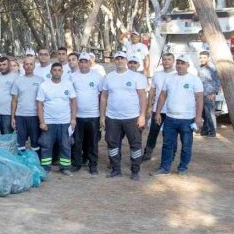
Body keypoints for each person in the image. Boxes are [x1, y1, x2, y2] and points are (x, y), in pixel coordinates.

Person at [151, 55, 205, 176]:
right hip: (170, 118)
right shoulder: (169, 78)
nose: (180, 65)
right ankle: (165, 168)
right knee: (167, 144)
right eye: (178, 63)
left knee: (186, 146)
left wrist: (198, 117)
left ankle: (183, 168)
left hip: (187, 119)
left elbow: (199, 99)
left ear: (188, 65)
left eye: (183, 63)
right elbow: (163, 95)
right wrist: (158, 112)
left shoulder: (194, 79)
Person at [100, 51, 148, 180]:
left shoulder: (136, 77)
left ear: (126, 60)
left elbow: (142, 97)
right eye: (117, 58)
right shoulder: (108, 77)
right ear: (114, 61)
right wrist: (102, 116)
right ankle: (116, 169)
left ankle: (135, 171)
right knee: (112, 143)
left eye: (122, 58)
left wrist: (142, 115)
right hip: (112, 118)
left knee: (135, 144)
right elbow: (104, 97)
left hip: (132, 117)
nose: (119, 61)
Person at [36, 63, 77, 175]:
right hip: (49, 122)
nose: (57, 72)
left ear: (62, 72)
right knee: (46, 145)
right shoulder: (44, 85)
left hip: (65, 122)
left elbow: (73, 102)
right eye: (54, 70)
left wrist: (73, 119)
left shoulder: (68, 84)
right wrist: (42, 122)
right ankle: (45, 168)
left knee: (66, 145)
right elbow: (39, 104)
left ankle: (65, 168)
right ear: (51, 71)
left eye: (59, 70)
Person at [70, 53, 103, 175]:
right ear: (79, 63)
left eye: (85, 62)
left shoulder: (97, 76)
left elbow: (101, 96)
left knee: (93, 142)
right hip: (77, 116)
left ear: (90, 63)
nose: (83, 64)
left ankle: (93, 165)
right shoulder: (72, 77)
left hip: (93, 115)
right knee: (77, 141)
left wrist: (101, 115)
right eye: (81, 62)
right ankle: (77, 163)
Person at [144, 52, 176, 161]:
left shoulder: (177, 75)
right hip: (157, 109)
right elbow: (152, 90)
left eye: (169, 59)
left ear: (173, 61)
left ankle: (171, 155)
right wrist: (149, 105)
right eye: (164, 59)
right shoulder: (157, 74)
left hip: (171, 110)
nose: (166, 61)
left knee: (170, 134)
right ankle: (147, 153)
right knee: (153, 132)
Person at [10, 56, 43, 152]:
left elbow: (43, 101)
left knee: (35, 143)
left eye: (31, 64)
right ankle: (22, 164)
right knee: (20, 144)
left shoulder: (40, 80)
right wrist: (13, 117)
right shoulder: (18, 81)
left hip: (35, 116)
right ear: (23, 66)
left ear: (34, 66)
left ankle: (35, 164)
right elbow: (14, 100)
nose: (28, 66)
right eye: (26, 64)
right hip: (20, 116)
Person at [198, 51, 220, 137]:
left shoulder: (212, 68)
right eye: (201, 57)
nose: (202, 59)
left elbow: (218, 81)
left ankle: (212, 131)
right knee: (204, 113)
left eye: (204, 57)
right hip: (201, 94)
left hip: (209, 94)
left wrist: (213, 92)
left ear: (208, 58)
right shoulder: (201, 68)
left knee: (210, 113)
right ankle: (205, 130)